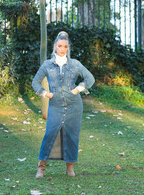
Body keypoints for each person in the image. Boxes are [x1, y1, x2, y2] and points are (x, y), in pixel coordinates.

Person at [31, 31, 95, 178]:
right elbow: (35, 82)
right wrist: (44, 93)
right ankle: (41, 168)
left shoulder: (75, 64)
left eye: (65, 46)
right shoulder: (48, 65)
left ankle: (70, 168)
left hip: (74, 106)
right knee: (50, 134)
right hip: (55, 105)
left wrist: (78, 88)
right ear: (55, 46)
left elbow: (90, 79)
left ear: (68, 48)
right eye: (59, 46)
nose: (62, 49)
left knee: (72, 136)